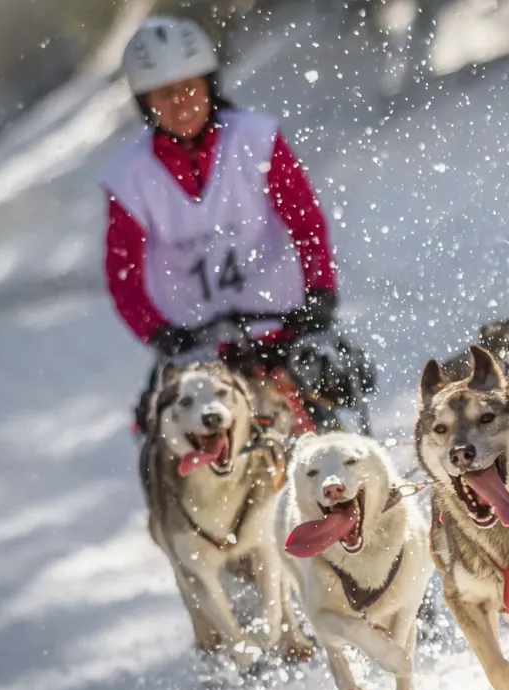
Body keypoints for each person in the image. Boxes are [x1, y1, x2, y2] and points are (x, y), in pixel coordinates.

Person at [102, 15, 371, 435]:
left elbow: (305, 223)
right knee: (169, 441)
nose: (181, 102)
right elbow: (124, 277)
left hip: (282, 326)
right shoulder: (130, 178)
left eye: (190, 87)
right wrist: (158, 333)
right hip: (199, 348)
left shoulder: (256, 140)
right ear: (145, 103)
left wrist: (320, 290)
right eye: (165, 93)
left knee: (330, 420)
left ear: (210, 85)